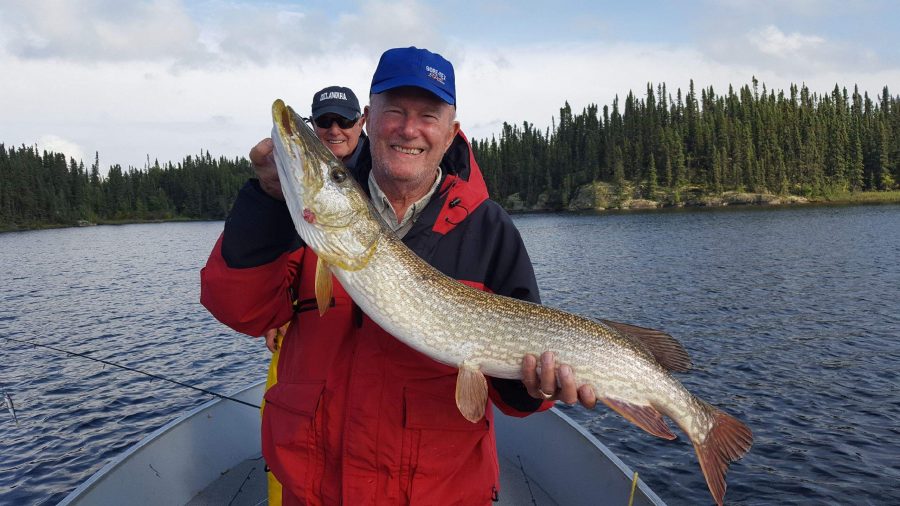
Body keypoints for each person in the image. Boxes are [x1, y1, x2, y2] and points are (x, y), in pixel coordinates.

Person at [201, 46, 595, 505]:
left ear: (451, 133)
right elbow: (240, 310)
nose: (409, 129)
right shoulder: (301, 222)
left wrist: (536, 387)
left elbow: (515, 394)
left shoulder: (488, 229)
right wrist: (267, 198)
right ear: (370, 120)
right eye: (395, 111)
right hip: (315, 493)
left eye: (428, 115)